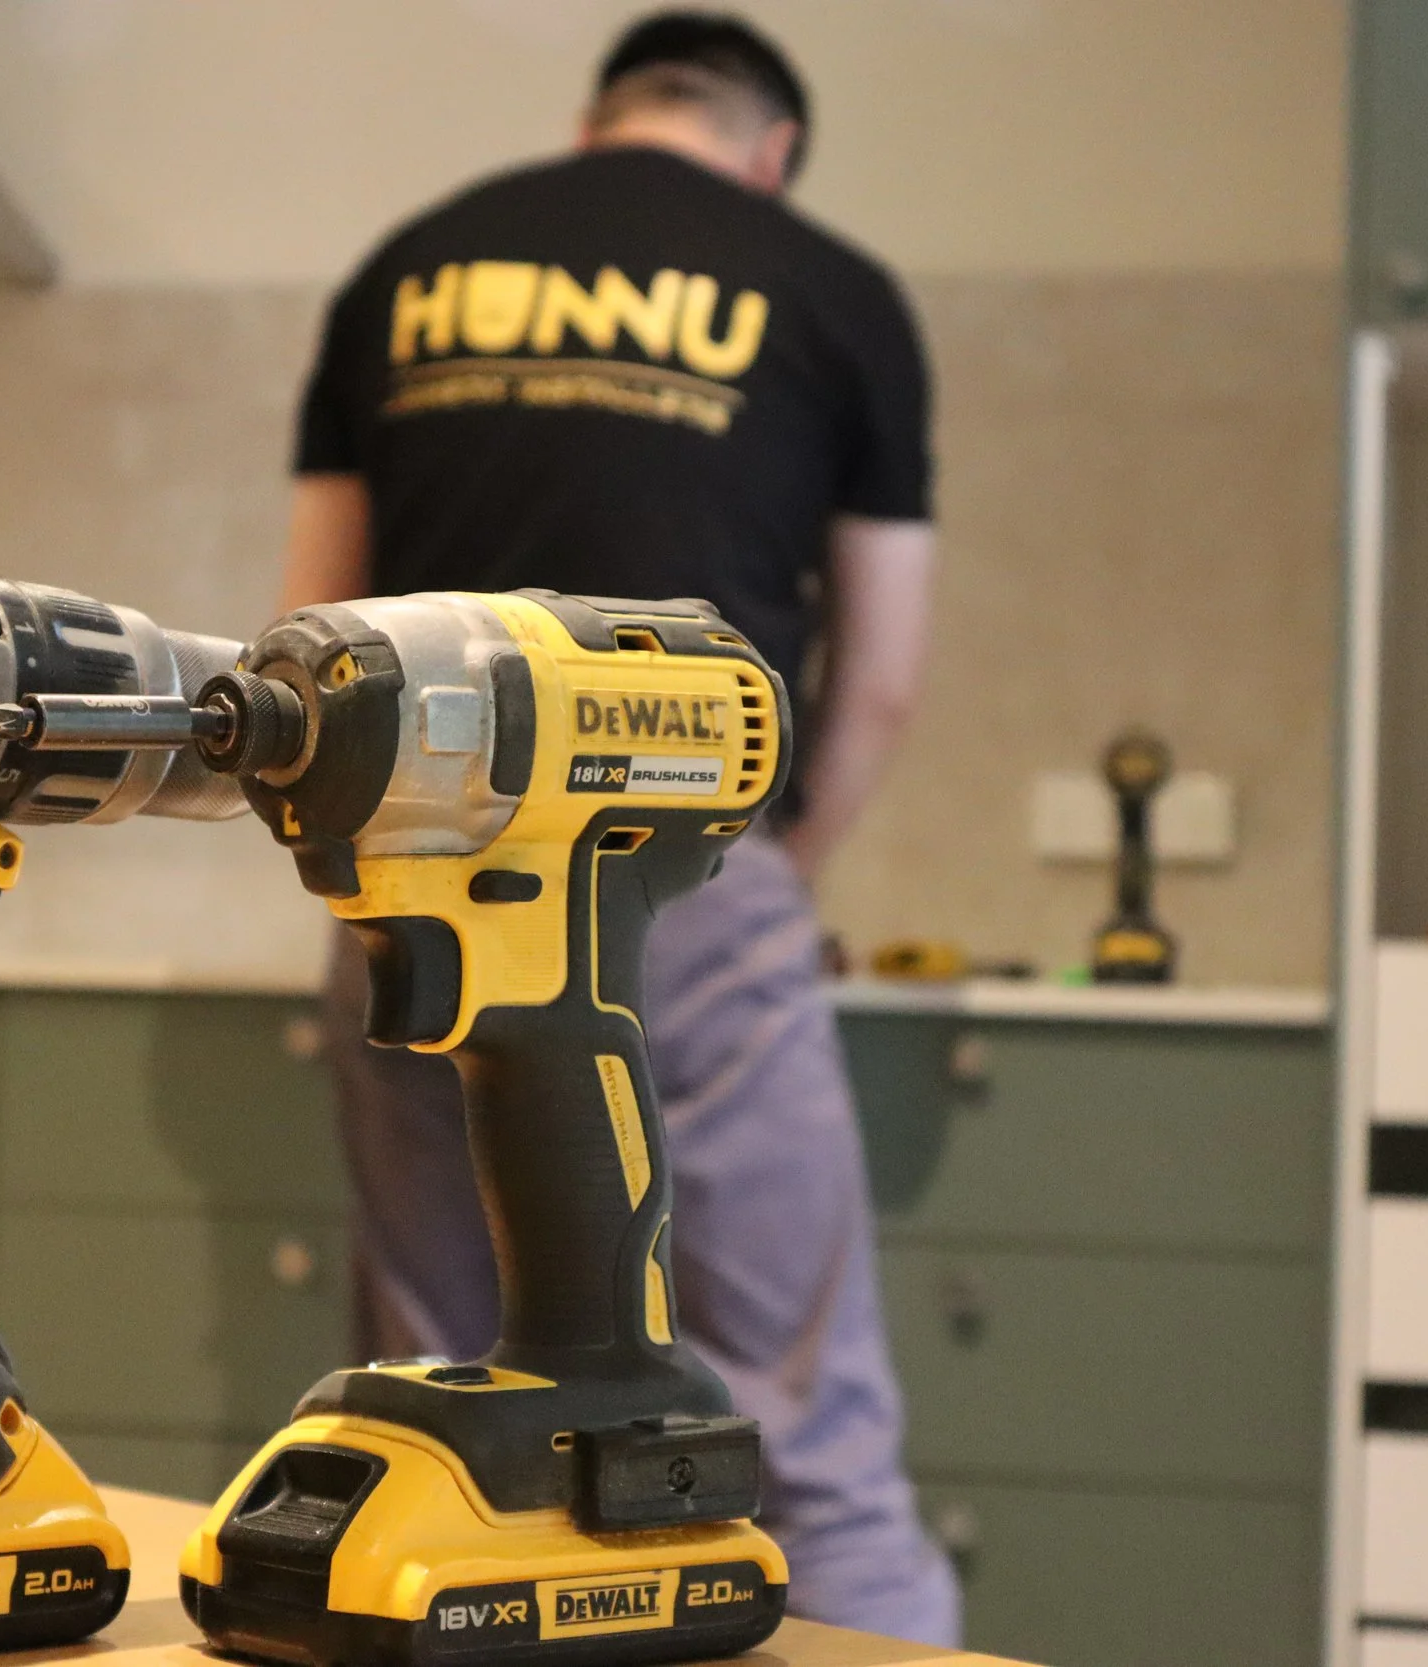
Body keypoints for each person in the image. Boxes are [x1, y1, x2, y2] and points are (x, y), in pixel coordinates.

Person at [277, 11, 954, 1643]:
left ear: (596, 124)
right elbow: (881, 678)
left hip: (411, 868)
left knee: (442, 1404)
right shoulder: (832, 288)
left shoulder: (407, 270)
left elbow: (308, 631)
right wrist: (766, 869)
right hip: (676, 862)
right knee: (799, 1419)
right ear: (770, 153)